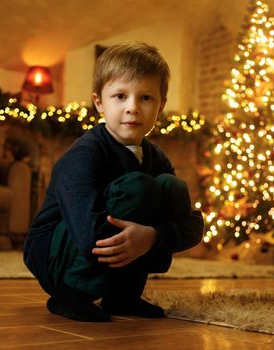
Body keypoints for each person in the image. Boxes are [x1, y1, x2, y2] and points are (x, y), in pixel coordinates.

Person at [23, 42, 204, 322]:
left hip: (105, 242)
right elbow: (88, 233)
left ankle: (122, 297)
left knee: (172, 187)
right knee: (139, 188)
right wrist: (141, 237)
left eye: (145, 98)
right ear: (99, 103)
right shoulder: (85, 154)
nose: (132, 108)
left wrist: (152, 237)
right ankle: (71, 294)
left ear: (161, 105)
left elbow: (193, 225)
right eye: (120, 96)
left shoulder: (156, 157)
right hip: (58, 253)